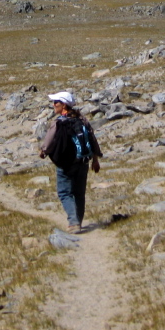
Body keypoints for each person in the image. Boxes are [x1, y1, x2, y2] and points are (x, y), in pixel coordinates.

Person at [39, 91, 102, 233]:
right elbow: (92, 139)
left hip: (66, 164)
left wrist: (43, 151)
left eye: (56, 102)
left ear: (64, 105)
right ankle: (78, 221)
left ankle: (73, 222)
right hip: (83, 160)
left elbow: (48, 142)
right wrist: (95, 159)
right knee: (79, 193)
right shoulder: (82, 120)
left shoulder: (58, 122)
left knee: (64, 193)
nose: (53, 105)